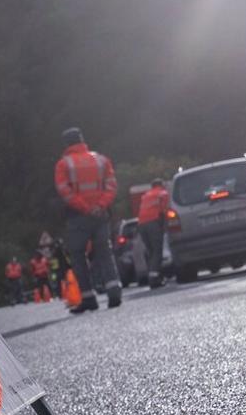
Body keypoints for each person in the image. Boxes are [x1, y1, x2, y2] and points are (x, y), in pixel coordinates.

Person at [55, 127, 121, 313]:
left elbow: (64, 191)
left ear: (67, 144)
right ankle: (113, 290)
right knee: (104, 251)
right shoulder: (101, 160)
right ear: (82, 140)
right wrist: (100, 206)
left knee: (77, 255)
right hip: (100, 215)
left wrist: (85, 208)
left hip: (78, 217)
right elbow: (111, 186)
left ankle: (88, 297)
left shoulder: (63, 164)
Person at [137, 178, 170, 288]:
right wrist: (166, 225)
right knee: (157, 250)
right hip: (153, 223)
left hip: (142, 225)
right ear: (161, 184)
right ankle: (154, 278)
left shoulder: (146, 195)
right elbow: (165, 210)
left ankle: (155, 275)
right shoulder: (162, 193)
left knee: (151, 251)